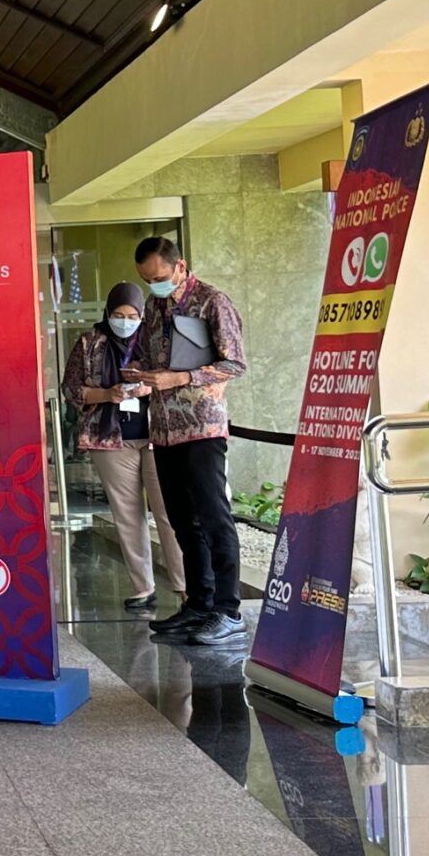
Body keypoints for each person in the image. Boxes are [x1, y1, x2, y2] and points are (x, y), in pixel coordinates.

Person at [125, 236, 248, 646]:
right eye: (146, 280)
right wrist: (140, 372)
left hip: (201, 428)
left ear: (180, 266)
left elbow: (235, 363)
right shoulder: (155, 306)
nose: (154, 285)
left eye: (158, 277)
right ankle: (199, 604)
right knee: (181, 520)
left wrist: (181, 378)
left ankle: (228, 610)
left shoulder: (213, 301)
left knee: (213, 517)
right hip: (163, 428)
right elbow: (150, 355)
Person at [62, 283, 188, 615]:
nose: (125, 321)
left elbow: (180, 382)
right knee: (127, 515)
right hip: (110, 440)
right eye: (118, 315)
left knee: (169, 512)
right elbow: (71, 389)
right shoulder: (90, 343)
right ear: (108, 313)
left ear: (142, 315)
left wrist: (149, 387)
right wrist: (108, 394)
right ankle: (143, 588)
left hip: (159, 436)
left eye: (132, 316)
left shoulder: (158, 341)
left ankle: (186, 587)